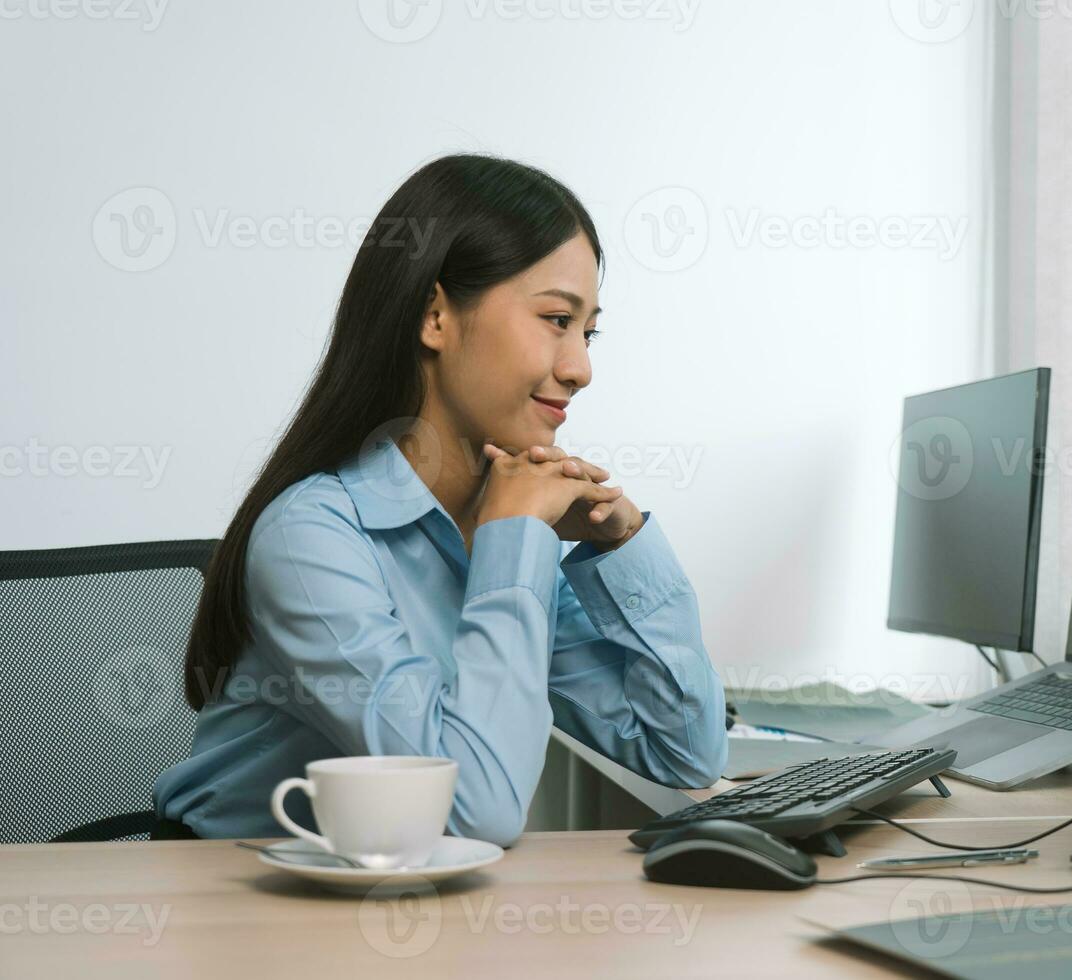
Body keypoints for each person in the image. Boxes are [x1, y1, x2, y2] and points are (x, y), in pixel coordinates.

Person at [152, 154, 728, 844]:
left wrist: (627, 547)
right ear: (434, 316)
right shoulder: (310, 537)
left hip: (405, 908)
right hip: (240, 908)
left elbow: (684, 754)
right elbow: (472, 811)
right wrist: (513, 543)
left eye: (588, 330)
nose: (580, 368)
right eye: (555, 319)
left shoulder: (504, 527)